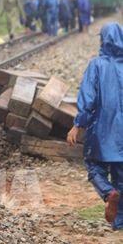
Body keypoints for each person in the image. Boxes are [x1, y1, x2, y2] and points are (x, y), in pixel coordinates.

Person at [67, 23, 123, 228]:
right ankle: (119, 224)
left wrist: (77, 124)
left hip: (102, 130)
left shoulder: (96, 65)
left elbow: (88, 99)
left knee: (93, 165)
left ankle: (108, 194)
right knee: (121, 177)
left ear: (103, 40)